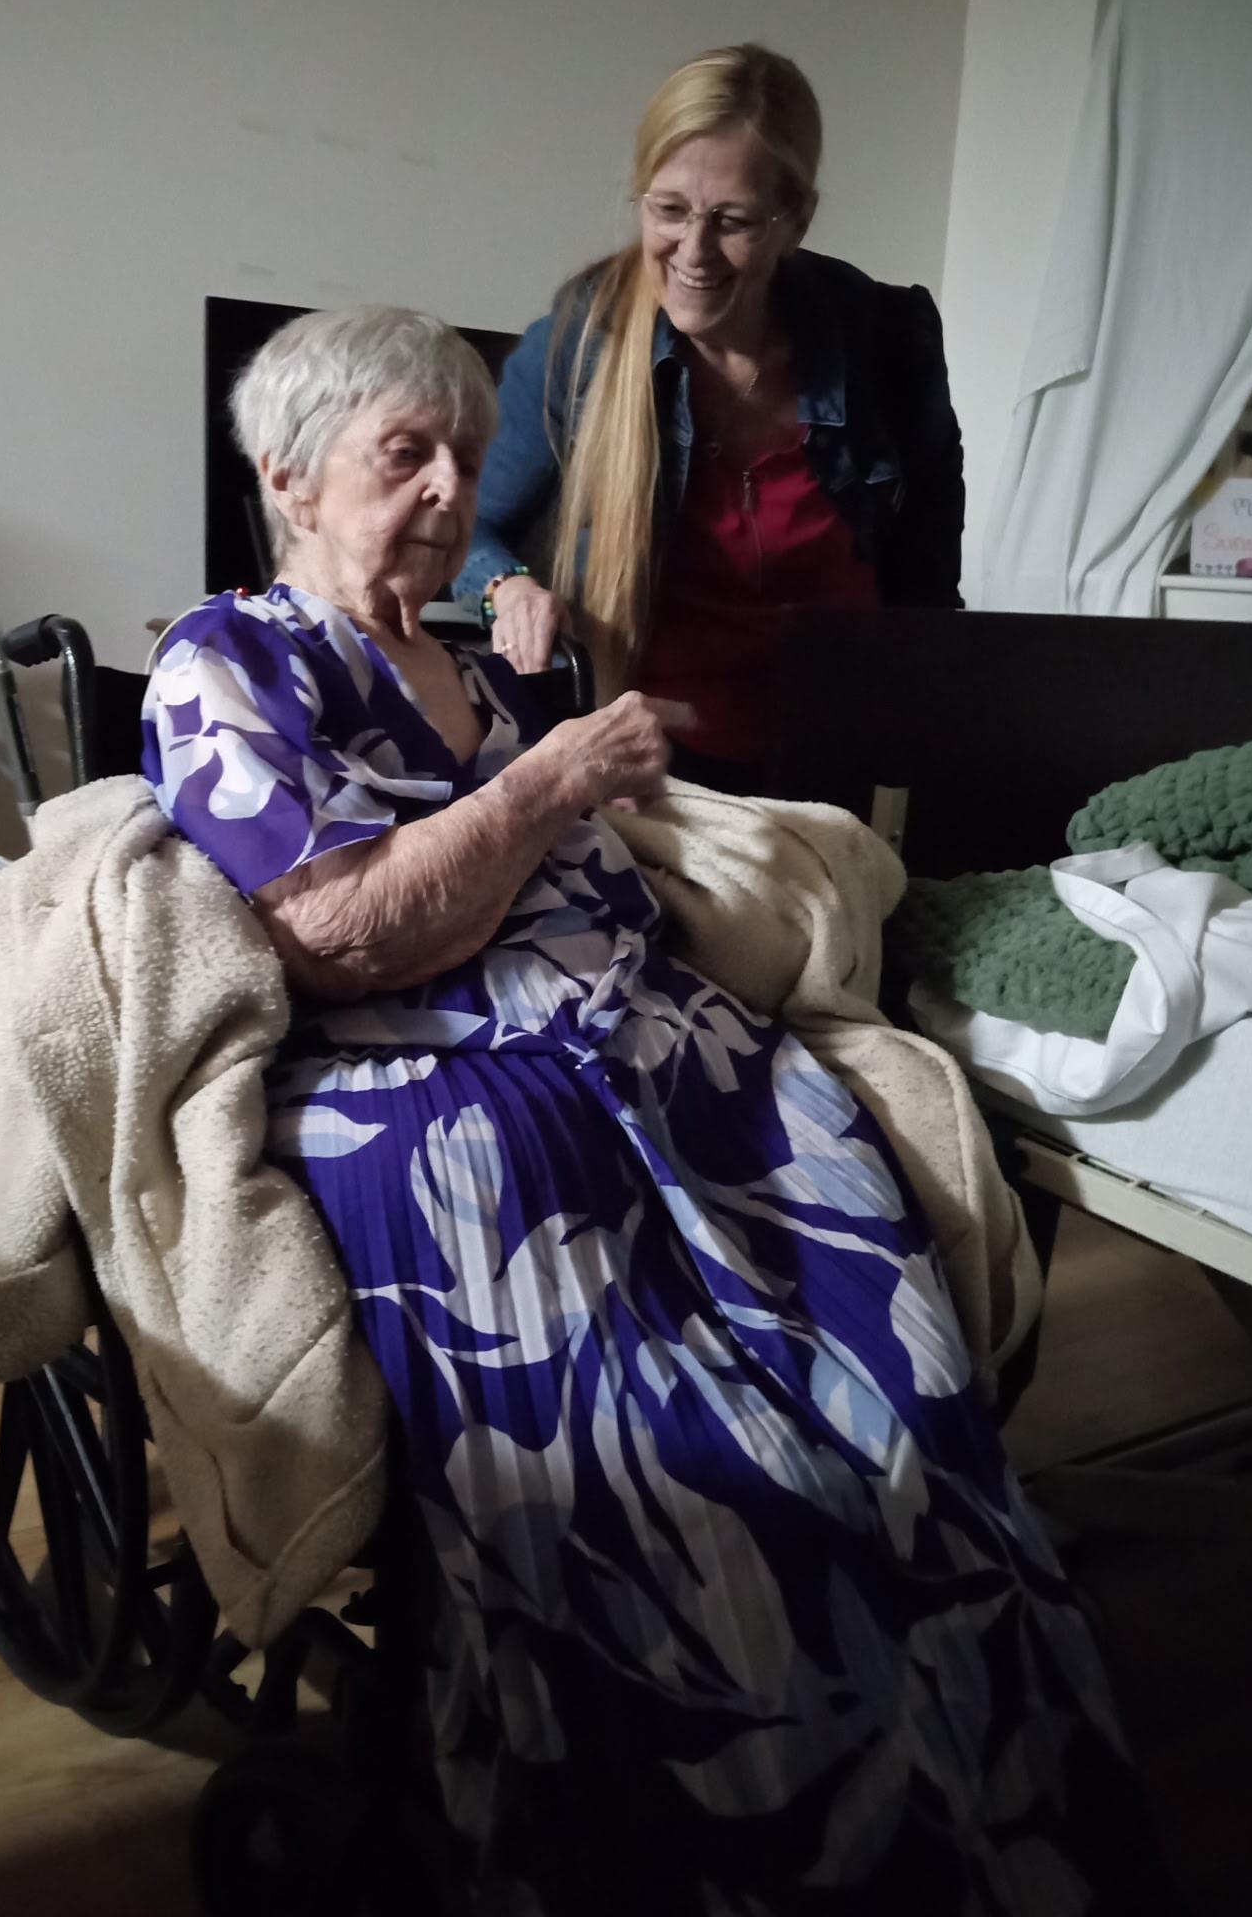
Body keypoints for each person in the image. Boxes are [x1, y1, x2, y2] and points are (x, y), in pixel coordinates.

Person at [144, 306, 1167, 1915]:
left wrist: (546, 711)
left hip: (657, 1044)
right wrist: (551, 779)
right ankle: (685, 1817)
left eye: (465, 456)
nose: (447, 487)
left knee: (886, 1379)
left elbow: (579, 826)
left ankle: (975, 1780)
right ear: (288, 476)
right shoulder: (231, 661)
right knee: (655, 1456)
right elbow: (345, 936)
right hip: (446, 1079)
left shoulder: (470, 653)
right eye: (402, 453)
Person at [455, 43, 964, 793]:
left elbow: (928, 590)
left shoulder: (888, 340)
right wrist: (511, 588)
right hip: (649, 771)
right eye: (668, 210)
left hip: (848, 758)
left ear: (796, 220)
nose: (693, 252)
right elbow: (467, 523)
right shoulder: (581, 342)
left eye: (733, 221)